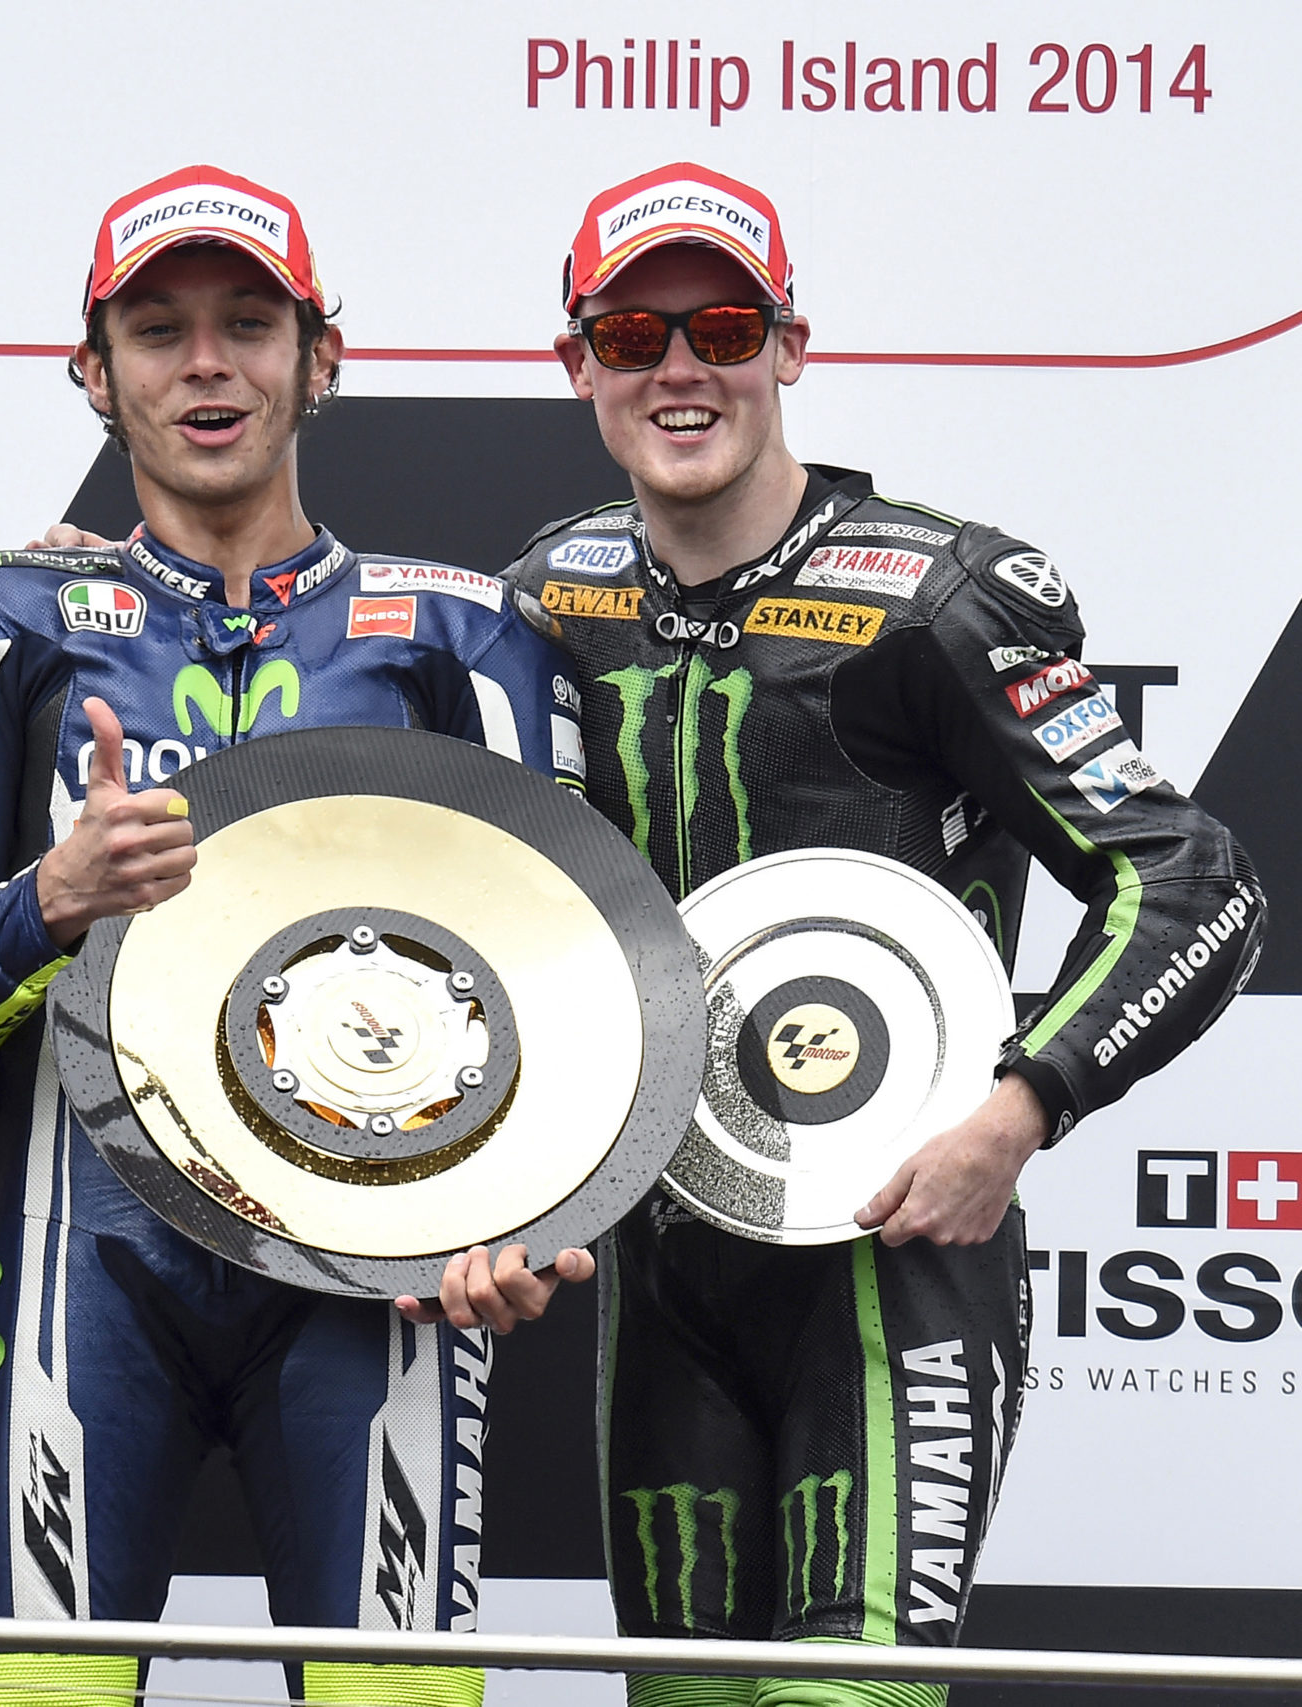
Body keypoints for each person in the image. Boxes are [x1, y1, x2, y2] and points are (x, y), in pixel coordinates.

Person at [466, 161, 1265, 1705]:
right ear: (578, 365)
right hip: (664, 1280)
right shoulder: (547, 603)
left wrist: (1018, 1115)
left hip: (896, 1276)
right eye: (632, 335)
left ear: (791, 346)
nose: (681, 370)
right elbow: (467, 888)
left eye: (723, 330)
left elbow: (1192, 878)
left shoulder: (937, 598)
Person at [0, 165, 579, 1707]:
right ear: (92, 369)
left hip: (374, 1284)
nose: (207, 365)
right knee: (35, 1699)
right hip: (77, 1264)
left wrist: (522, 1218)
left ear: (322, 360)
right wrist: (49, 902)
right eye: (160, 329)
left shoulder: (465, 634)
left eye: (249, 325)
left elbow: (571, 988)